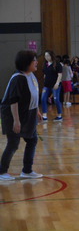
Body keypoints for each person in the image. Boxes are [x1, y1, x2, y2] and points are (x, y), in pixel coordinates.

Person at [0, 50, 43, 181]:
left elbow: (33, 96)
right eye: (34, 60)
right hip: (13, 114)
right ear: (26, 63)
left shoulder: (31, 76)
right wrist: (16, 121)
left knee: (32, 139)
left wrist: (37, 111)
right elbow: (13, 101)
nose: (36, 62)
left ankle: (27, 170)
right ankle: (2, 172)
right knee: (13, 143)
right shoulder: (18, 78)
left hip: (28, 113)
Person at [41, 50, 63, 122]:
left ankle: (59, 116)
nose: (46, 57)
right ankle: (44, 115)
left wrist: (57, 83)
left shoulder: (57, 64)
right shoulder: (45, 64)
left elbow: (60, 74)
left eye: (48, 56)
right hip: (47, 85)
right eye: (45, 56)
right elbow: (45, 73)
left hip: (55, 85)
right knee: (43, 99)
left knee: (56, 100)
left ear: (51, 56)